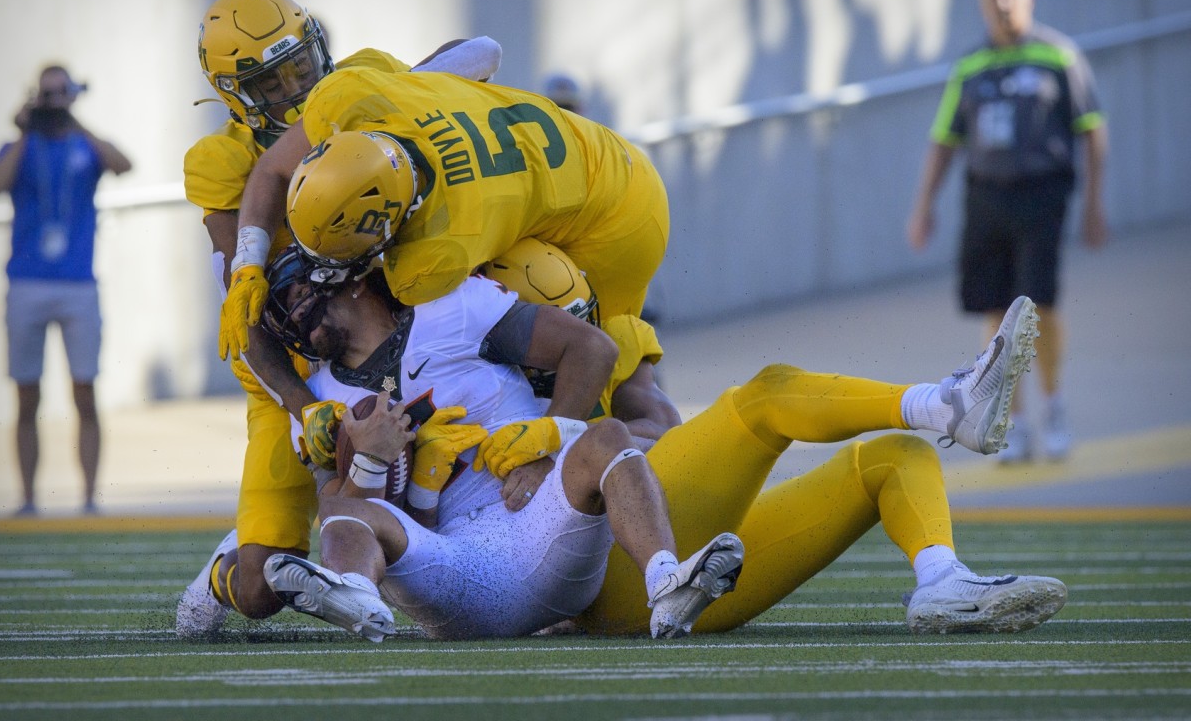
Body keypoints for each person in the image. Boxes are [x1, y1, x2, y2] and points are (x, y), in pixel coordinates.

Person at [270, 238, 1066, 638]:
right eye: (538, 309)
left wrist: (556, 435)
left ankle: (943, 579)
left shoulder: (578, 335)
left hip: (631, 531)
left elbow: (653, 423)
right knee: (767, 395)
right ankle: (944, 401)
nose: (553, 321)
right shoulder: (384, 367)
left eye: (564, 308)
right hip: (564, 555)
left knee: (892, 457)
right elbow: (346, 509)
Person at [175, 0, 503, 638]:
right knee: (261, 586)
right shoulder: (223, 162)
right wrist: (302, 409)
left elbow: (483, 52)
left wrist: (402, 85)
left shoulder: (355, 82)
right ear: (234, 92)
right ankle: (222, 571)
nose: (297, 85)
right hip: (288, 366)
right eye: (273, 80)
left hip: (377, 344)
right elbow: (251, 312)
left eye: (302, 64)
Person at [258, 246, 744, 641]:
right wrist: (375, 464)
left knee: (608, 435)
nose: (298, 319)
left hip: (545, 522)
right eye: (289, 314)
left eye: (302, 295)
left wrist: (548, 444)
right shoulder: (322, 401)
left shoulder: (451, 308)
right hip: (452, 565)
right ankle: (357, 596)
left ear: (353, 278)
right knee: (345, 512)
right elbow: (336, 512)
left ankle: (666, 583)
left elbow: (591, 348)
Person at [216, 58, 671, 365]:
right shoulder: (356, 96)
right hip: (594, 145)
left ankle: (599, 452)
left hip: (623, 214)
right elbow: (275, 169)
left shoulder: (436, 254)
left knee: (601, 355)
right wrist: (248, 263)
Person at [906, 0, 1109, 463]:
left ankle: (1055, 406)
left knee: (1037, 304)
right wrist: (923, 204)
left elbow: (1092, 129)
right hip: (985, 198)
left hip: (1042, 193)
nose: (1001, 2)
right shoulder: (970, 66)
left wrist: (1095, 203)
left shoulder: (1058, 57)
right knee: (995, 310)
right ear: (981, 2)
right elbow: (944, 139)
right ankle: (1012, 420)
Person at [0, 64, 131, 516]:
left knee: (84, 390)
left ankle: (90, 498)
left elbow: (122, 164)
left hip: (77, 285)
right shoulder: (18, 147)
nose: (53, 102)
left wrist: (72, 118)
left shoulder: (83, 145)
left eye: (60, 93)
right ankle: (29, 499)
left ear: (71, 95)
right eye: (46, 94)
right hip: (27, 282)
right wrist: (29, 126)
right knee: (26, 395)